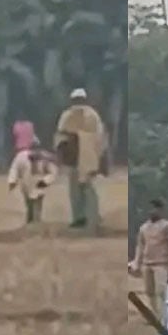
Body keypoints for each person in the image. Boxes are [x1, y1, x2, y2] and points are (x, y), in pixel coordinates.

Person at [55, 88, 107, 229]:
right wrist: (101, 157)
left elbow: (60, 138)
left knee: (75, 190)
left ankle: (80, 217)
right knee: (89, 188)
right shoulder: (93, 116)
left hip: (74, 157)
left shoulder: (67, 116)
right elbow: (101, 138)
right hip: (89, 157)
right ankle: (93, 217)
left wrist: (61, 156)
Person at [132, 199, 168, 307]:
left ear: (160, 210)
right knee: (149, 292)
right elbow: (140, 246)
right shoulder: (143, 228)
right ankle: (154, 316)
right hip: (147, 263)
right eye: (150, 209)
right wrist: (136, 262)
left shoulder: (167, 226)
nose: (152, 211)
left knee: (161, 292)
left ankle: (163, 318)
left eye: (154, 209)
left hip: (161, 263)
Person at [7, 141, 57, 224]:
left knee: (38, 201)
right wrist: (12, 180)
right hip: (26, 183)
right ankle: (30, 218)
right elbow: (14, 168)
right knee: (29, 202)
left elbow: (53, 172)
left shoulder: (46, 159)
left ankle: (37, 219)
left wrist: (46, 181)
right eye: (34, 149)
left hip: (39, 184)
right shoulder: (21, 157)